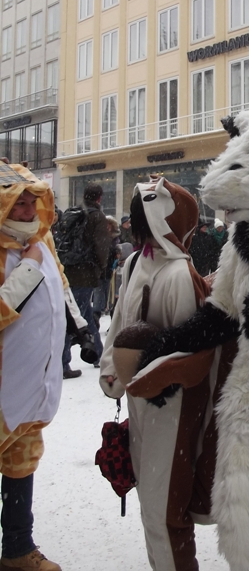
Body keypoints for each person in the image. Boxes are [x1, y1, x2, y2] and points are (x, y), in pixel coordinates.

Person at [100, 178, 229, 571]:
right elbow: (119, 320)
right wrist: (112, 370)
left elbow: (192, 356)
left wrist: (152, 379)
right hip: (142, 407)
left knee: (164, 511)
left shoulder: (178, 275)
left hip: (170, 412)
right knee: (152, 506)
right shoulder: (136, 262)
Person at [0, 163, 67, 571]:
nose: (26, 210)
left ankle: (18, 549)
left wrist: (78, 329)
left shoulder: (42, 241)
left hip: (34, 387)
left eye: (31, 201)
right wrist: (27, 267)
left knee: (21, 466)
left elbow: (60, 288)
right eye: (17, 203)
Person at [61, 184, 111, 373]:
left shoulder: (73, 212)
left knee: (85, 315)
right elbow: (101, 246)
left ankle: (99, 355)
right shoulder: (96, 216)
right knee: (74, 317)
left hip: (68, 270)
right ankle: (63, 363)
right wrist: (101, 267)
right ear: (99, 198)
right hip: (85, 273)